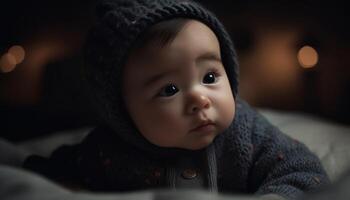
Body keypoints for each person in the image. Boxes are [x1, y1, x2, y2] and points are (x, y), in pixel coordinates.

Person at [23, 0, 329, 199]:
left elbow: (301, 170)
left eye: (210, 77)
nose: (200, 98)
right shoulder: (106, 150)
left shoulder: (247, 132)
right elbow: (48, 169)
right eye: (169, 90)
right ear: (122, 112)